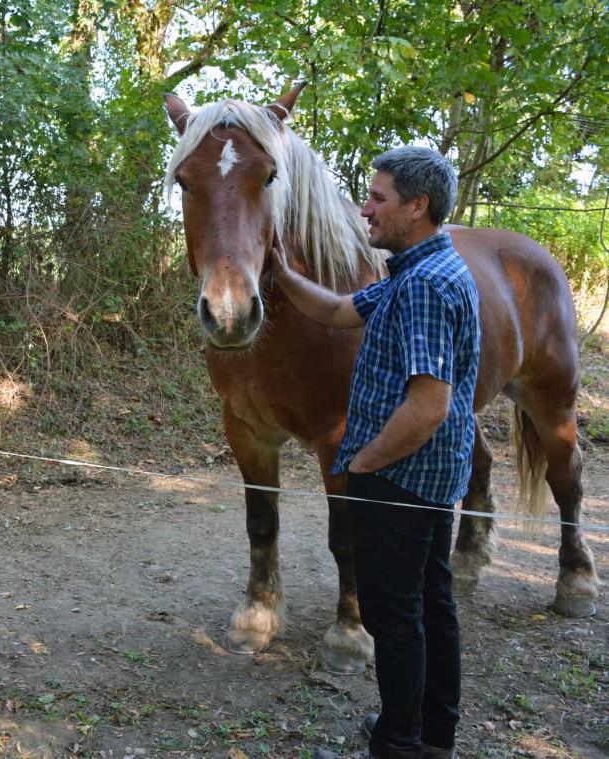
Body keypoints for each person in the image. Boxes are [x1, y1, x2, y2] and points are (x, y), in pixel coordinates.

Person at [270, 147, 479, 759]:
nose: (365, 209)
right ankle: (431, 735)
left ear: (418, 207)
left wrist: (361, 466)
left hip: (401, 478)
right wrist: (281, 272)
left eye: (378, 198)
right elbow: (336, 310)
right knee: (431, 606)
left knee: (396, 618)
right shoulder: (414, 273)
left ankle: (398, 744)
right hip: (425, 476)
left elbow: (429, 405)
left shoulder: (426, 289)